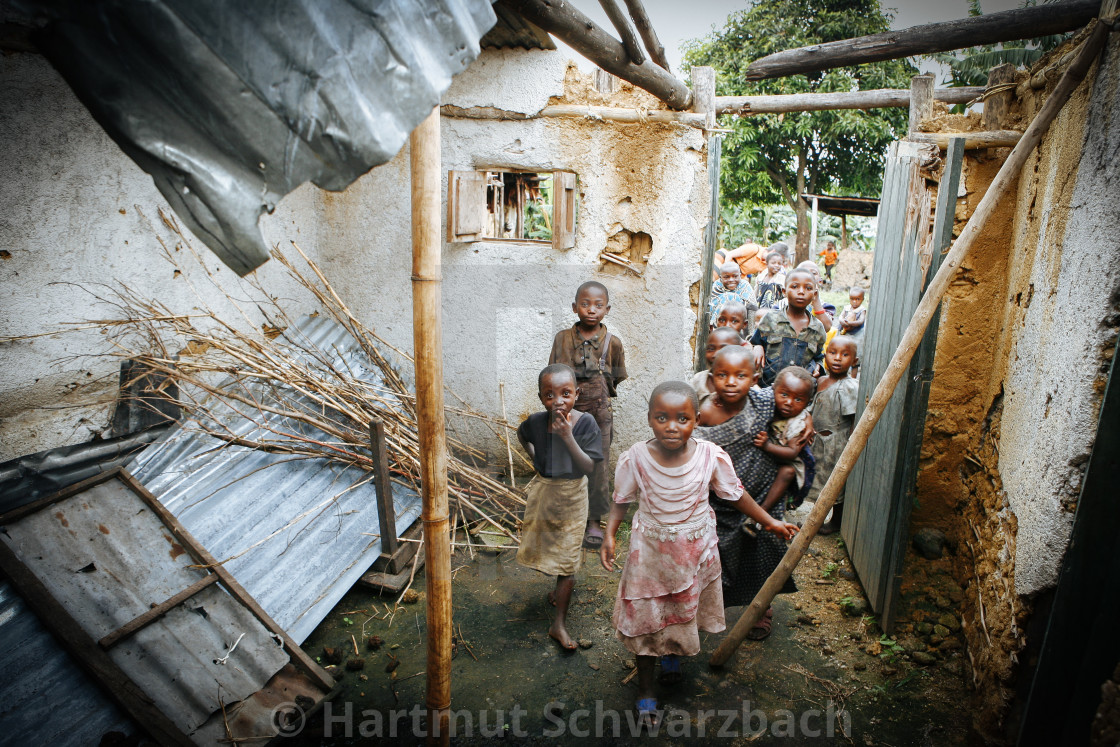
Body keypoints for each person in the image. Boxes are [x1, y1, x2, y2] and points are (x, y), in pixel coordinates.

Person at [600, 381, 797, 726]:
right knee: (644, 618)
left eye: (682, 418)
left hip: (692, 553)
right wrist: (610, 535)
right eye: (662, 417)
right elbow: (621, 501)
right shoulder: (636, 458)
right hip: (650, 556)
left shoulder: (710, 455)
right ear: (649, 418)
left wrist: (769, 521)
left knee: (680, 610)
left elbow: (735, 494)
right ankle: (646, 688)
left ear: (696, 421)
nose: (672, 426)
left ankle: (673, 655)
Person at [696, 346, 799, 640]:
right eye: (723, 375)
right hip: (723, 501)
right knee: (720, 556)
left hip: (764, 492)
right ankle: (710, 607)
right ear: (711, 378)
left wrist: (808, 422)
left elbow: (795, 403)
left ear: (754, 378)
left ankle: (761, 608)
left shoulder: (764, 401)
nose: (731, 382)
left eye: (740, 375)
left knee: (763, 551)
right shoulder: (703, 415)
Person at [516, 364, 605, 649]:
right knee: (546, 546)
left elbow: (589, 466)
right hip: (545, 493)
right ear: (542, 397)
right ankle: (559, 590)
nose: (558, 401)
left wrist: (567, 436)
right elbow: (522, 435)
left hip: (573, 495)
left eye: (566, 393)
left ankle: (559, 624)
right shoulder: (535, 421)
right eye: (550, 395)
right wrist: (535, 459)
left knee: (568, 559)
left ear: (577, 394)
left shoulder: (586, 423)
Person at [549, 281, 627, 550]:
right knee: (563, 462)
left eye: (598, 305)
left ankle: (594, 520)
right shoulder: (562, 339)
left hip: (599, 413)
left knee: (598, 466)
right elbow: (552, 376)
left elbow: (617, 378)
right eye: (584, 304)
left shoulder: (612, 343)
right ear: (574, 307)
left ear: (607, 309)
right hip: (566, 413)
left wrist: (599, 392)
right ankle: (566, 517)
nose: (591, 309)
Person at [808, 336, 860, 534]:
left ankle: (835, 521)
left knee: (835, 484)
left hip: (836, 443)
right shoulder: (820, 381)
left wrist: (851, 445)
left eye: (845, 355)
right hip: (818, 441)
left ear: (854, 361)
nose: (838, 358)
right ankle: (817, 520)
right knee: (819, 480)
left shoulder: (849, 387)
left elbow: (854, 418)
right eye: (833, 353)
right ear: (825, 355)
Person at [750, 268, 828, 387]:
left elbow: (818, 357)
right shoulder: (770, 319)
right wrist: (757, 346)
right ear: (784, 291)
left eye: (808, 288)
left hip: (799, 392)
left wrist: (818, 366)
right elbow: (754, 342)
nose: (801, 292)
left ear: (815, 294)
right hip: (768, 389)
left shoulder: (817, 328)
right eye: (795, 286)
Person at [753, 366, 816, 513]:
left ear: (807, 403)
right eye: (784, 395)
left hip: (790, 461)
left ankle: (762, 512)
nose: (789, 402)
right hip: (769, 456)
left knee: (787, 472)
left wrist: (767, 446)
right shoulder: (765, 403)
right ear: (773, 389)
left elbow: (792, 452)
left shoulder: (798, 424)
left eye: (798, 399)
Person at [690, 326, 743, 406]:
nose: (715, 355)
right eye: (711, 349)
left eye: (724, 349)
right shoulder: (698, 381)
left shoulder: (745, 383)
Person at [708, 262, 759, 337]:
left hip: (740, 325)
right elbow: (711, 308)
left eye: (735, 276)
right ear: (720, 277)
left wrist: (751, 334)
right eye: (726, 277)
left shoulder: (745, 286)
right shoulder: (716, 287)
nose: (731, 280)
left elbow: (752, 309)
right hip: (719, 325)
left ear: (740, 276)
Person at [838, 286, 868, 362]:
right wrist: (842, 321)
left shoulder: (862, 310)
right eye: (852, 299)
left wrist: (850, 323)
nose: (854, 301)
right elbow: (841, 316)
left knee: (855, 354)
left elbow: (861, 321)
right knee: (842, 350)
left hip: (856, 335)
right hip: (845, 334)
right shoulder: (847, 308)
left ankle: (854, 368)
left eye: (858, 299)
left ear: (862, 299)